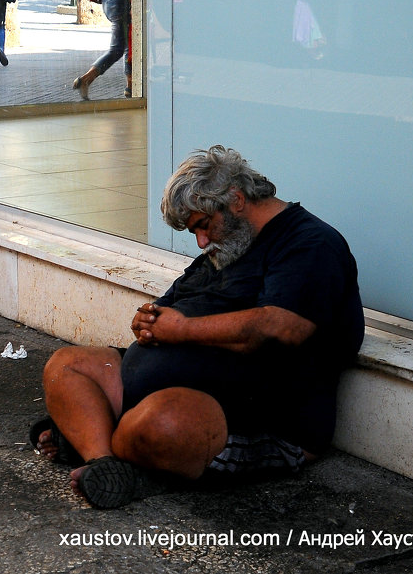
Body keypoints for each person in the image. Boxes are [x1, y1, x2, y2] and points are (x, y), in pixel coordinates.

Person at [33, 145, 364, 509]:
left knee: (163, 424)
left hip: (256, 416)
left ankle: (94, 440)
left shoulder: (309, 243)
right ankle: (106, 463)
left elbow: (280, 327)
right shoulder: (230, 246)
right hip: (159, 392)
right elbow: (173, 304)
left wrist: (180, 330)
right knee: (66, 365)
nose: (202, 241)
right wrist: (148, 320)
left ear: (236, 200)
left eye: (203, 226)